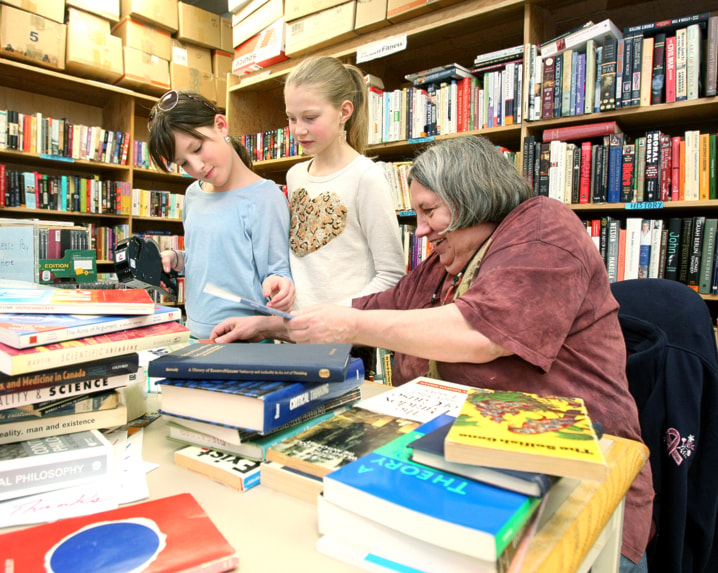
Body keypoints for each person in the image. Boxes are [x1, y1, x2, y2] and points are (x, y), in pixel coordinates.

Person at [212, 136, 654, 572]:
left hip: (580, 492)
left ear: (472, 197)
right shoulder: (443, 265)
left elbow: (481, 333)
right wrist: (273, 325)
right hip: (463, 475)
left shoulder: (543, 227)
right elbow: (374, 309)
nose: (420, 229)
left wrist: (347, 326)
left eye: (429, 211)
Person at [147, 90, 294, 339]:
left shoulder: (265, 198)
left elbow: (277, 270)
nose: (197, 167)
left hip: (244, 341)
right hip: (194, 334)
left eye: (197, 148)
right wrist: (176, 258)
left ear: (220, 125)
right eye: (183, 163)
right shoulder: (193, 194)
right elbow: (207, 255)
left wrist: (280, 285)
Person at [282, 56, 405, 310]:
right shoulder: (294, 176)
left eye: (310, 117)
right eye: (292, 118)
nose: (298, 130)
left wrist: (335, 315)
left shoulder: (366, 177)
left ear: (344, 112)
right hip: (296, 331)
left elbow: (392, 275)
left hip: (345, 336)